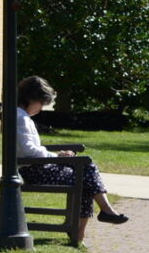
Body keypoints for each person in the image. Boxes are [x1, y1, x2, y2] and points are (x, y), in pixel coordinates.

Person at [13, 77, 132, 231]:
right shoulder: (20, 117)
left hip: (37, 167)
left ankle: (100, 215)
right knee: (85, 177)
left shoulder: (21, 116)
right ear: (31, 98)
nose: (41, 108)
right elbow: (29, 151)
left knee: (85, 169)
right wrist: (57, 157)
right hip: (34, 171)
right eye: (41, 103)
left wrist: (58, 155)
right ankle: (90, 223)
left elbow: (30, 149)